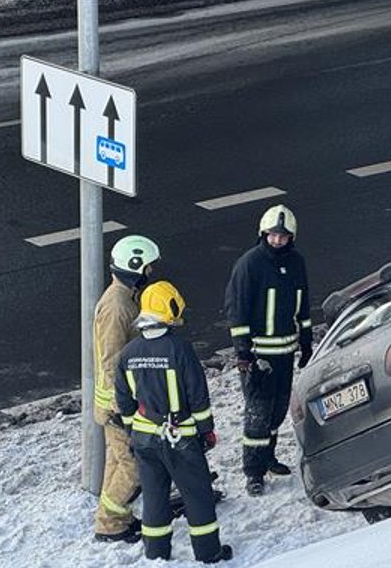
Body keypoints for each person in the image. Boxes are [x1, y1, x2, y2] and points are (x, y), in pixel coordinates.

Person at [114, 281, 232, 564]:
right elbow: (197, 395)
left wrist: (132, 432)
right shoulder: (179, 348)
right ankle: (209, 553)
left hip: (144, 438)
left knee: (155, 498)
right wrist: (206, 431)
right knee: (198, 495)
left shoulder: (127, 353)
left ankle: (156, 552)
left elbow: (124, 401)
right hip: (180, 438)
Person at [224, 204, 318, 497]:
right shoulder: (249, 265)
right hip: (258, 356)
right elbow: (236, 310)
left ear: (292, 237)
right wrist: (243, 352)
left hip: (285, 354)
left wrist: (305, 342)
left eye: (283, 236)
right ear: (263, 233)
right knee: (258, 415)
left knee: (277, 411)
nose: (277, 240)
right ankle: (253, 472)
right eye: (273, 235)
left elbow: (303, 305)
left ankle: (268, 458)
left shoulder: (297, 263)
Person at [93, 234, 160, 543]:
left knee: (117, 464)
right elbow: (111, 360)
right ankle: (111, 522)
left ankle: (112, 521)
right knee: (132, 467)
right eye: (147, 267)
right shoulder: (118, 306)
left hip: (114, 404)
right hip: (117, 406)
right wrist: (123, 407)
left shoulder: (124, 298)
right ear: (134, 267)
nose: (150, 272)